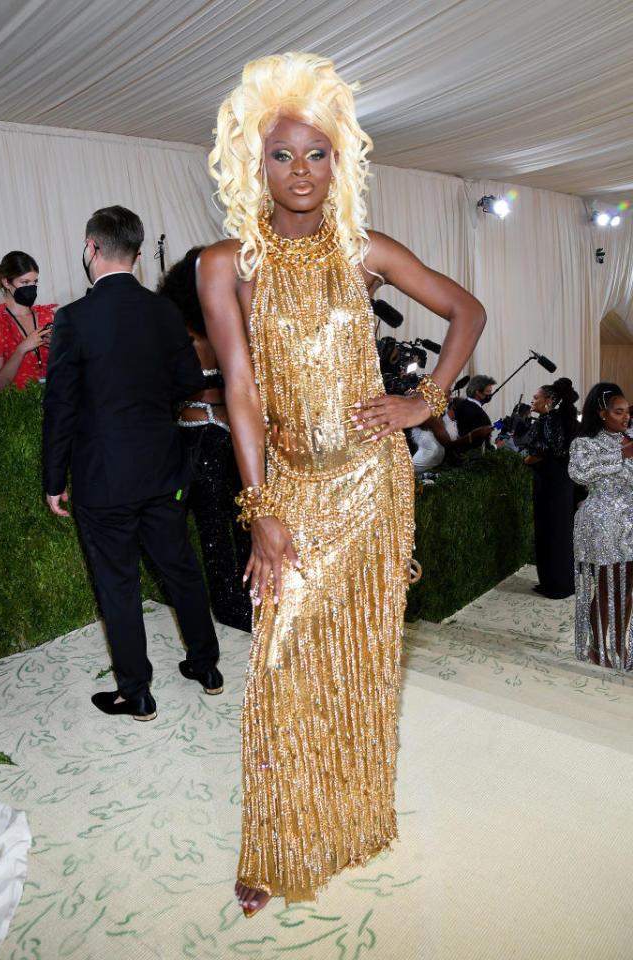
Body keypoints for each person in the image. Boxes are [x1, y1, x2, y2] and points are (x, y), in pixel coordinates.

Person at [198, 52, 486, 915]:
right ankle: (272, 842)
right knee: (281, 667)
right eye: (281, 155)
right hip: (290, 485)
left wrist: (425, 401)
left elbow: (465, 310)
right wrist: (259, 512)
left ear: (341, 161)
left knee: (359, 662)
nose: (300, 173)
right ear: (255, 160)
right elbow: (241, 392)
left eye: (317, 154)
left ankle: (351, 819)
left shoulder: (366, 251)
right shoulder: (225, 265)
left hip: (371, 488)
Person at [42, 206, 222, 721]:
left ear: (90, 248)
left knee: (118, 585)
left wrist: (54, 480)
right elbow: (190, 380)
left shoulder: (74, 319)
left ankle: (136, 693)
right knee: (182, 571)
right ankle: (207, 667)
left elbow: (61, 407)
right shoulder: (165, 312)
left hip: (103, 478)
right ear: (139, 255)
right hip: (163, 469)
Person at [157, 248, 252, 632]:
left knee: (215, 529)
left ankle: (231, 607)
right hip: (236, 434)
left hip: (200, 432)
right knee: (244, 520)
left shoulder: (181, 332)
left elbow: (167, 386)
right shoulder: (234, 324)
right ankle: (252, 602)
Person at [568, 383, 633, 668]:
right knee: (607, 589)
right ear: (602, 413)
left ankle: (620, 644)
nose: (625, 417)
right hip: (603, 522)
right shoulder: (585, 443)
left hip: (630, 523)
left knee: (628, 588)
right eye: (618, 412)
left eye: (627, 412)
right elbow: (579, 474)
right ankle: (598, 647)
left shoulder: (628, 440)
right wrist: (621, 455)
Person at [524, 376, 579, 599]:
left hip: (552, 484)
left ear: (549, 401)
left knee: (552, 533)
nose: (532, 400)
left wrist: (527, 460)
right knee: (556, 533)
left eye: (536, 398)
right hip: (558, 483)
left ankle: (557, 586)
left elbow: (548, 450)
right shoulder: (557, 419)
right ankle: (554, 582)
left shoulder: (549, 421)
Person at [0, 251, 56, 390]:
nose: (32, 287)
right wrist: (22, 349)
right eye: (25, 282)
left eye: (35, 281)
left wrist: (58, 346)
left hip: (55, 401)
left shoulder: (48, 316)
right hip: (19, 408)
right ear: (6, 283)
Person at [451, 374, 496, 445]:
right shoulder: (481, 416)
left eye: (490, 392)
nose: (490, 395)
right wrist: (496, 446)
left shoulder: (460, 405)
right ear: (477, 392)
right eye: (488, 392)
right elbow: (482, 445)